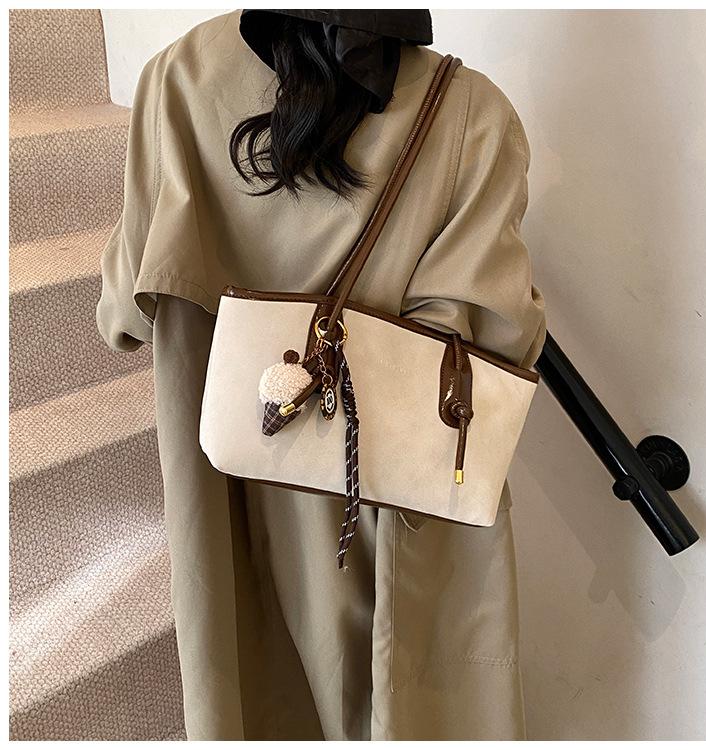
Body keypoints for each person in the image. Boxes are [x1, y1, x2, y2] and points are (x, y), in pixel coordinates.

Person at [96, 9, 546, 741]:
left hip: (227, 476)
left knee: (248, 681)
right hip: (394, 494)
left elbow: (123, 312)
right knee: (404, 691)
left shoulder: (178, 76)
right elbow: (501, 336)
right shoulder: (474, 114)